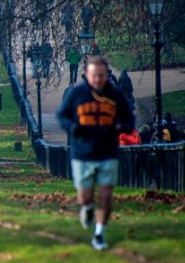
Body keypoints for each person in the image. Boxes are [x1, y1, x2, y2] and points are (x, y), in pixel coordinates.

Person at [56, 56, 135, 251]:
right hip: (82, 152)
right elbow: (62, 115)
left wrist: (123, 127)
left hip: (108, 151)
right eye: (94, 76)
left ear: (106, 75)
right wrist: (72, 127)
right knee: (85, 196)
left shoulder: (115, 95)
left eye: (101, 76)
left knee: (106, 195)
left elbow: (129, 117)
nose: (98, 80)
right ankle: (88, 208)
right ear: (86, 75)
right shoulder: (77, 94)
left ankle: (99, 233)